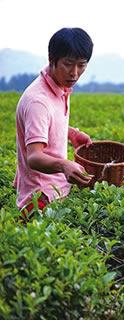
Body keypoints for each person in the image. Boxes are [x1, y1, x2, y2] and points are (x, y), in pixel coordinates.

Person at [14, 27, 94, 221]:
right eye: (68, 64)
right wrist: (64, 165)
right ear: (52, 59)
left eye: (81, 65)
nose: (74, 73)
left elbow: (45, 124)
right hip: (40, 198)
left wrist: (71, 133)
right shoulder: (38, 101)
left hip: (58, 189)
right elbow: (34, 157)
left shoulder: (60, 87)